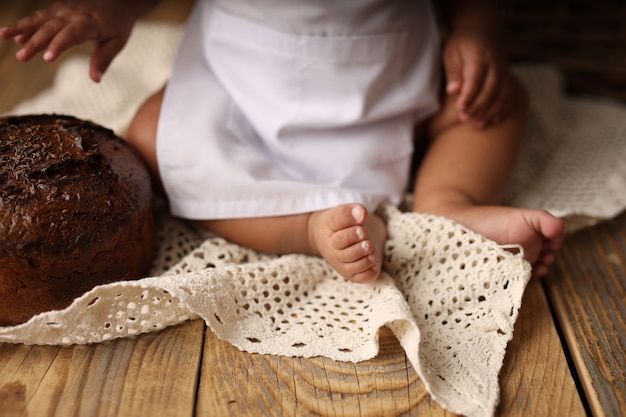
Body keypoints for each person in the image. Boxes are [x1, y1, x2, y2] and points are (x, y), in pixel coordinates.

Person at [1, 0, 565, 283]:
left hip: (390, 68)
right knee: (155, 137)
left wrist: (475, 32)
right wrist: (116, 9)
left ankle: (450, 201)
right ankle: (307, 225)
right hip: (243, 75)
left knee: (490, 101)